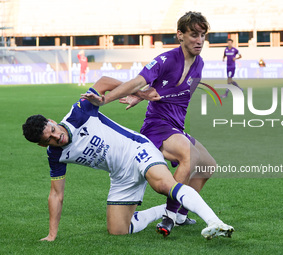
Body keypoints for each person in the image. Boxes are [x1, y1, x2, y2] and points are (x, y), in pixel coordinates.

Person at [22, 80, 234, 241]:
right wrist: (52, 235)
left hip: (137, 149)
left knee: (163, 185)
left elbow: (104, 81)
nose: (56, 137)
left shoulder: (79, 113)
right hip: (120, 176)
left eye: (53, 130)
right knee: (118, 231)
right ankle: (166, 211)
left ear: (52, 121)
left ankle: (215, 222)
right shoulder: (55, 155)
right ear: (43, 145)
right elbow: (56, 194)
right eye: (49, 139)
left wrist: (139, 93)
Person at [82, 11, 221, 237]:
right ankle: (169, 215)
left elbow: (177, 93)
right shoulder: (166, 60)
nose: (199, 40)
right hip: (157, 125)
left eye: (203, 35)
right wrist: (106, 99)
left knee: (208, 165)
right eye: (194, 34)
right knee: (190, 155)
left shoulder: (199, 63)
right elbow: (137, 80)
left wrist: (144, 95)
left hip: (176, 126)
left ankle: (183, 214)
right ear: (180, 35)